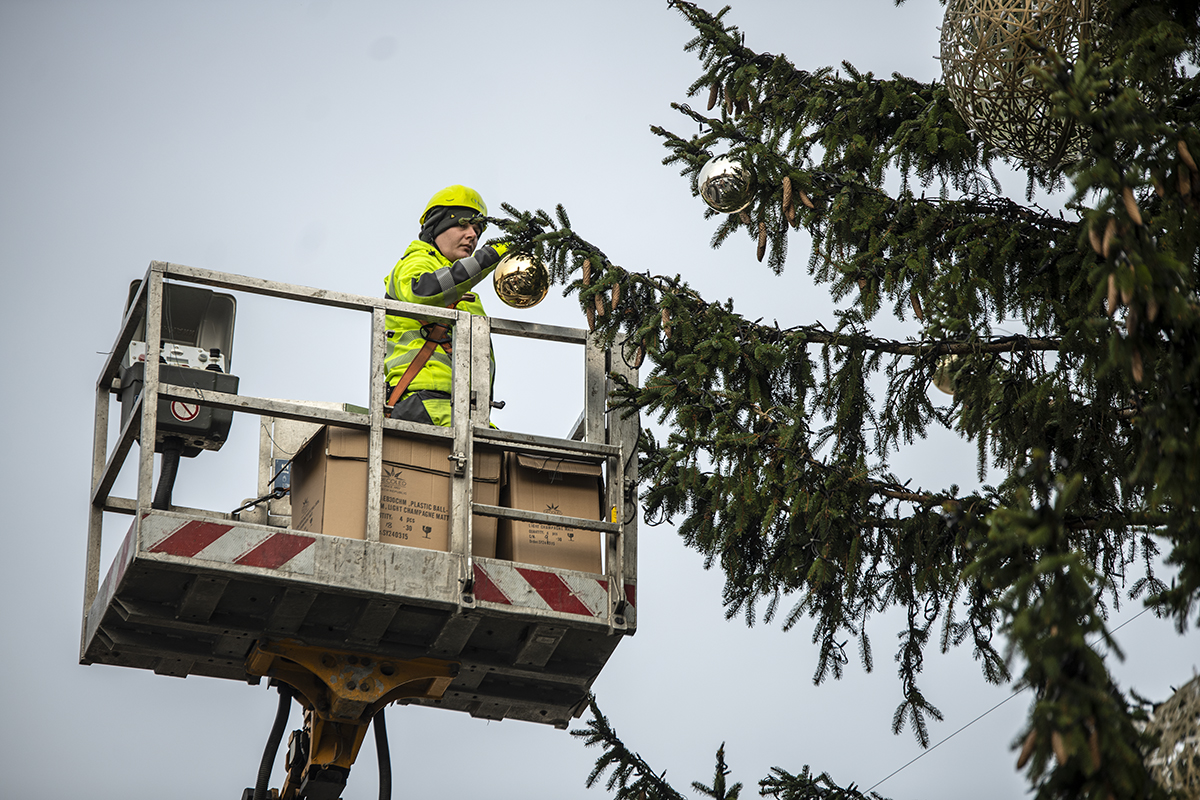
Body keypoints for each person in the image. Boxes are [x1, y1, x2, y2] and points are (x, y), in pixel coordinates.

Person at [383, 185, 507, 425]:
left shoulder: (468, 297)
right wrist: (492, 254)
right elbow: (424, 290)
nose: (473, 235)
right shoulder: (416, 261)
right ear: (436, 227)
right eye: (462, 225)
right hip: (426, 405)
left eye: (477, 230)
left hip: (461, 410)